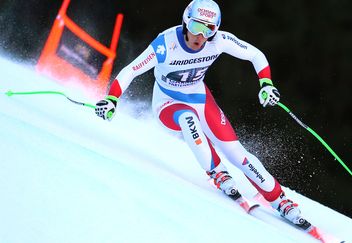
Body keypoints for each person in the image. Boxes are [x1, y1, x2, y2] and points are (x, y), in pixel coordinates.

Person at [95, 0, 311, 231]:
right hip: (168, 102)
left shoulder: (218, 41)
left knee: (237, 153)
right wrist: (112, 99)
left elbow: (256, 55)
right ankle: (217, 172)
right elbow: (131, 70)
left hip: (200, 98)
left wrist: (266, 84)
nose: (201, 35)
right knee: (190, 121)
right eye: (197, 26)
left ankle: (280, 200)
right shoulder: (165, 44)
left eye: (209, 29)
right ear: (186, 22)